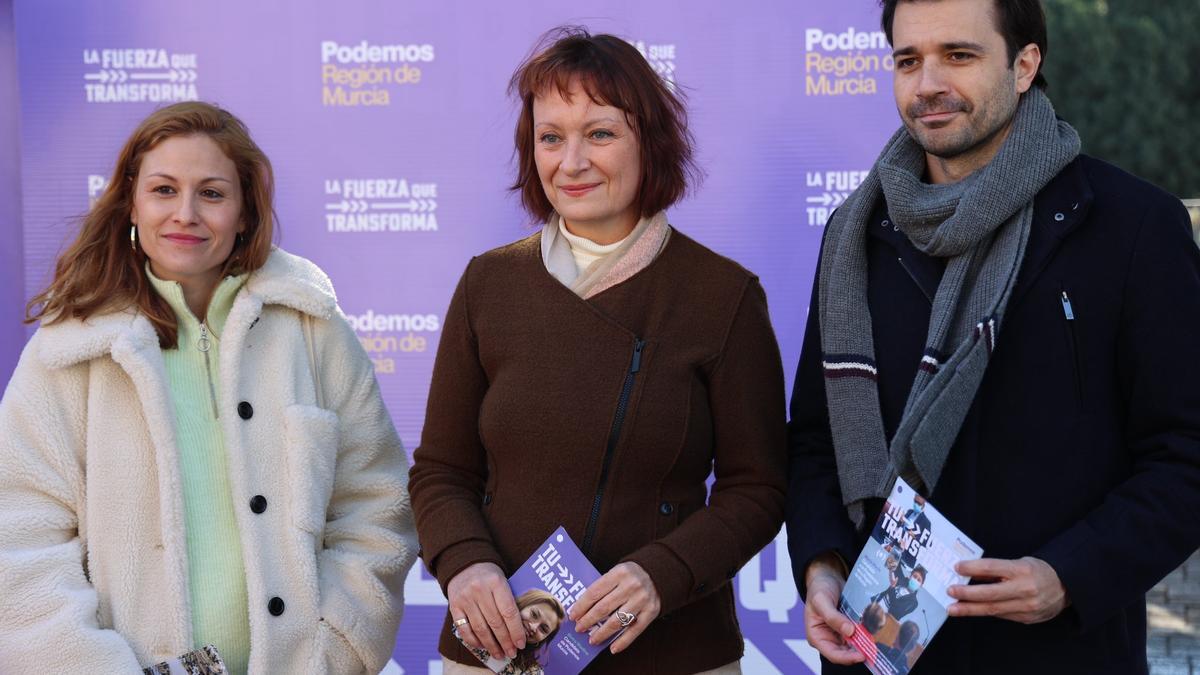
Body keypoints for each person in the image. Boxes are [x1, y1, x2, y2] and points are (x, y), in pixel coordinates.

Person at [785, 0, 1200, 673]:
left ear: (1025, 64)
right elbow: (813, 438)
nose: (928, 85)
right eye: (908, 60)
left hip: (1061, 653)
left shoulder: (1131, 229)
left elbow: (1186, 453)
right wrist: (825, 563)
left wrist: (1069, 573)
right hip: (880, 652)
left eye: (960, 55)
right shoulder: (855, 236)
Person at [408, 27, 787, 675]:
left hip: (671, 649)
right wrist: (466, 564)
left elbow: (758, 489)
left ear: (652, 144)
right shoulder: (487, 283)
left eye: (601, 133)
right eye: (551, 137)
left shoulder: (723, 295)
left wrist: (661, 573)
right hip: (503, 649)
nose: (571, 161)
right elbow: (442, 470)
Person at [0, 102, 417, 674]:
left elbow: (375, 505)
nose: (186, 214)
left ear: (245, 212)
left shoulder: (313, 328)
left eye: (212, 194)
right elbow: (19, 538)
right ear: (132, 202)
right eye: (164, 190)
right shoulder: (69, 350)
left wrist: (336, 652)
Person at [455, 590, 564, 674]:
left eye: (543, 629)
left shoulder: (533, 672)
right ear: (521, 605)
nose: (534, 627)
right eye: (534, 614)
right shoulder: (475, 623)